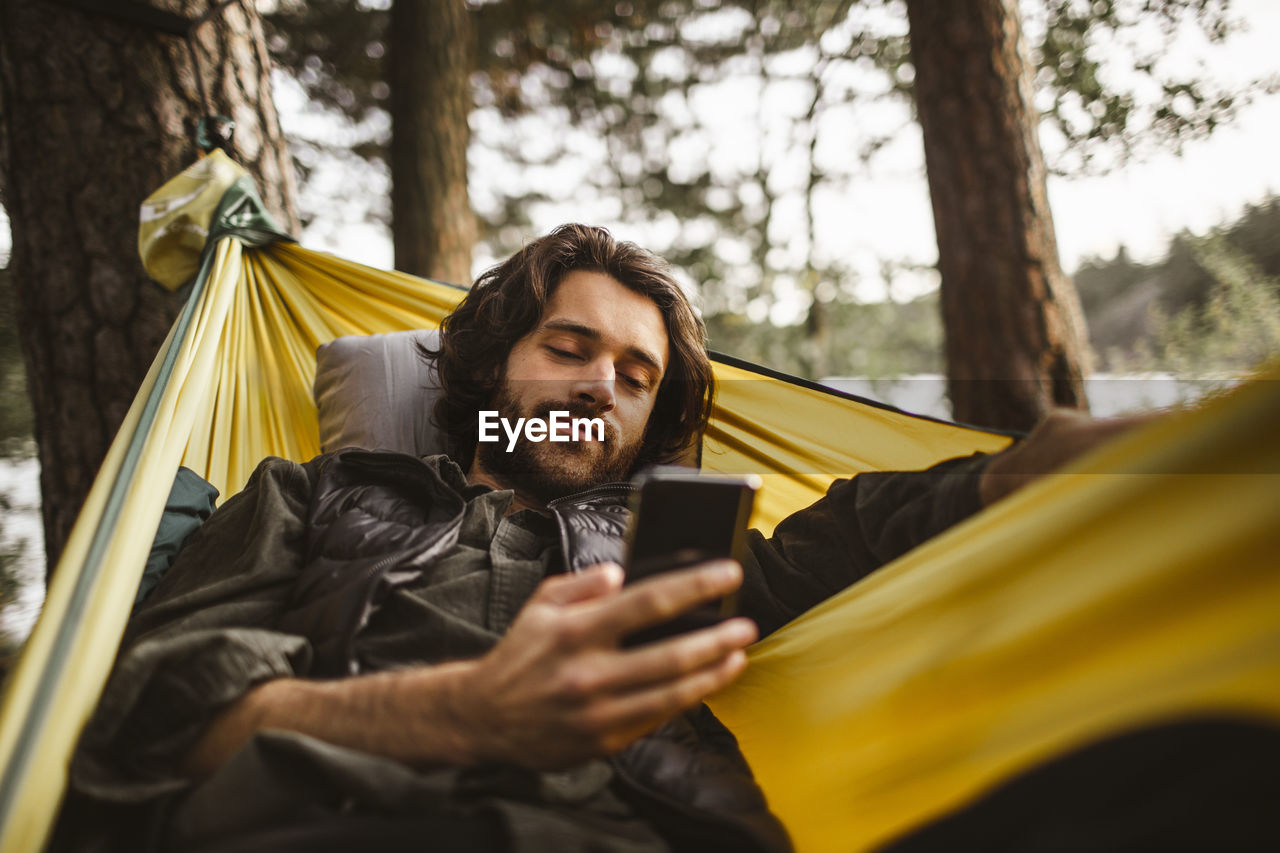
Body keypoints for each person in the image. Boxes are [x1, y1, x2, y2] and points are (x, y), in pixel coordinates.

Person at [56, 225, 1137, 853]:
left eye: (634, 376)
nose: (597, 386)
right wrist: (462, 712)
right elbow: (147, 711)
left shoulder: (670, 546)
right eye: (568, 346)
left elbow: (849, 532)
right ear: (488, 370)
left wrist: (1007, 470)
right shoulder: (315, 490)